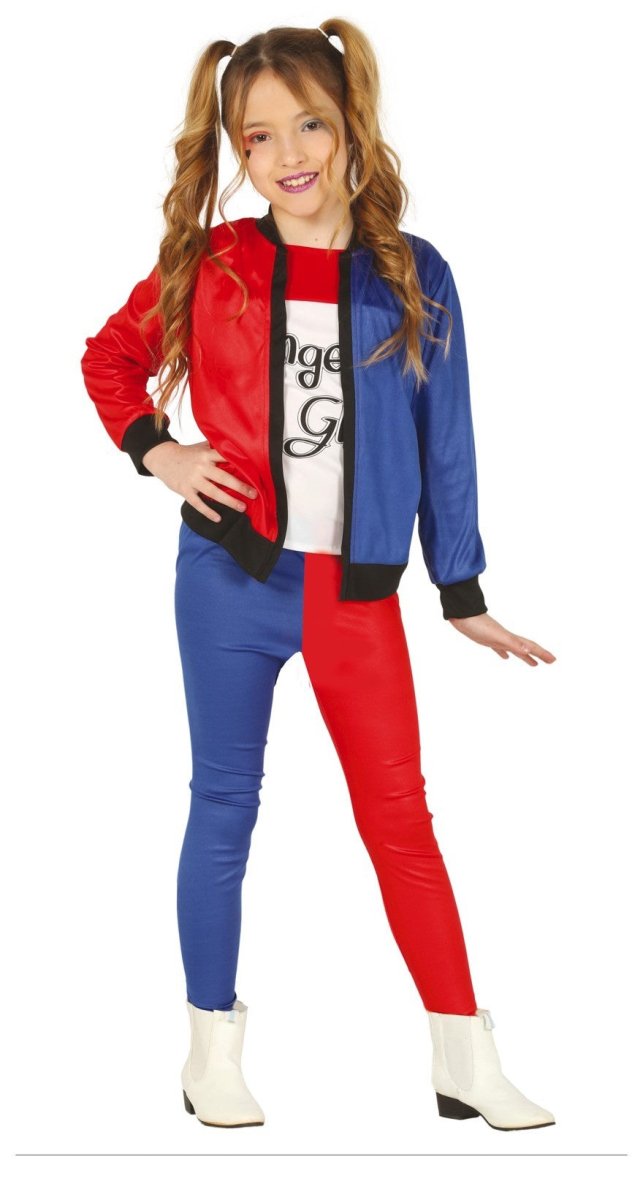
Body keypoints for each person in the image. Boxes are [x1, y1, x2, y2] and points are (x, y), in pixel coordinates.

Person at [80, 20, 557, 1133]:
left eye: (310, 124)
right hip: (229, 578)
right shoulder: (214, 261)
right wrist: (159, 450)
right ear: (236, 151)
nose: (287, 154)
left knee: (401, 819)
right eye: (258, 137)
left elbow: (447, 439)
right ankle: (210, 1051)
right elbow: (109, 358)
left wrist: (462, 591)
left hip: (355, 593)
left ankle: (465, 1057)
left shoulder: (412, 272)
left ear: (350, 126)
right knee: (223, 806)